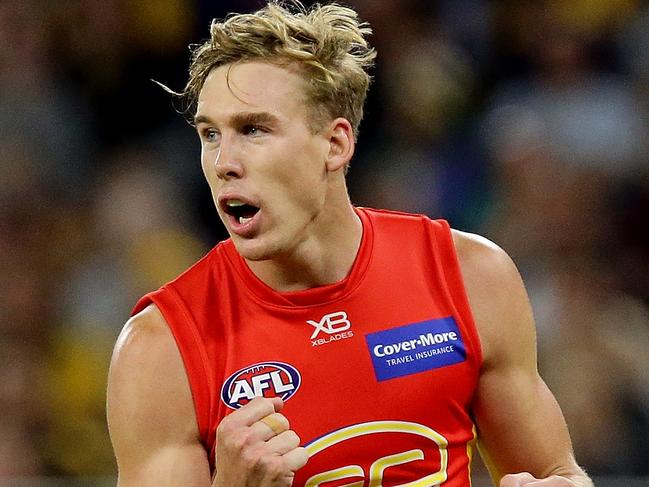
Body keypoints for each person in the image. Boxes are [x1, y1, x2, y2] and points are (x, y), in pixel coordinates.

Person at [106, 2, 594, 486]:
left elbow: (556, 473)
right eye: (210, 134)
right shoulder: (161, 348)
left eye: (253, 129)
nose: (223, 161)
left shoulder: (469, 275)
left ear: (335, 144)